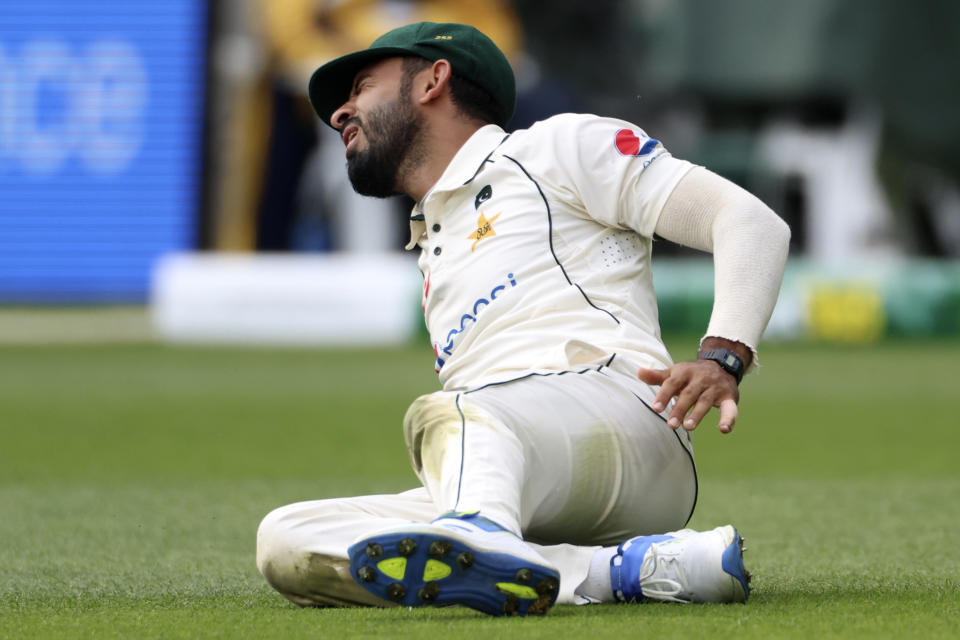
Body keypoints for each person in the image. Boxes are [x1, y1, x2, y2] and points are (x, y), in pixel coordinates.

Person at [255, 22, 790, 616]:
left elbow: (750, 223)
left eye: (361, 87)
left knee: (455, 412)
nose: (339, 113)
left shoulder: (553, 148)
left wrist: (723, 355)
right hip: (529, 474)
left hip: (628, 429)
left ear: (434, 80)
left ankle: (478, 530)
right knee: (286, 539)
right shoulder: (431, 240)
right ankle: (620, 570)